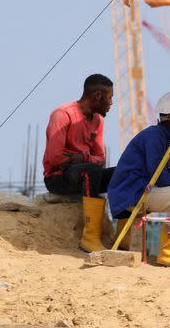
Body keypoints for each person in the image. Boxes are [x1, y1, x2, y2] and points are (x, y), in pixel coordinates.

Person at [107, 91, 170, 268]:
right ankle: (169, 254)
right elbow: (161, 177)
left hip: (143, 190)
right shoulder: (154, 137)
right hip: (133, 194)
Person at [43, 74, 115, 253]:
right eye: (110, 97)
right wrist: (86, 160)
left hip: (84, 171)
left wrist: (80, 157)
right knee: (90, 171)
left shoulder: (98, 120)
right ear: (98, 95)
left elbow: (100, 158)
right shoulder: (63, 114)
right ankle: (90, 239)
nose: (112, 103)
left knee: (123, 173)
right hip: (57, 177)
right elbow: (55, 157)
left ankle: (124, 238)